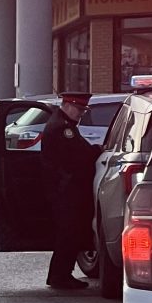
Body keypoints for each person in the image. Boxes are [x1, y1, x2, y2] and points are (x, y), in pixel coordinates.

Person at [40, 91, 100, 290]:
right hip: (64, 190)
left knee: (69, 233)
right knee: (68, 233)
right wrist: (98, 151)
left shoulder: (63, 124)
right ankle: (60, 276)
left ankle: (59, 275)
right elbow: (79, 156)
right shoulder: (63, 128)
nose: (81, 113)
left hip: (62, 188)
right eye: (79, 109)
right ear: (67, 104)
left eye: (83, 110)